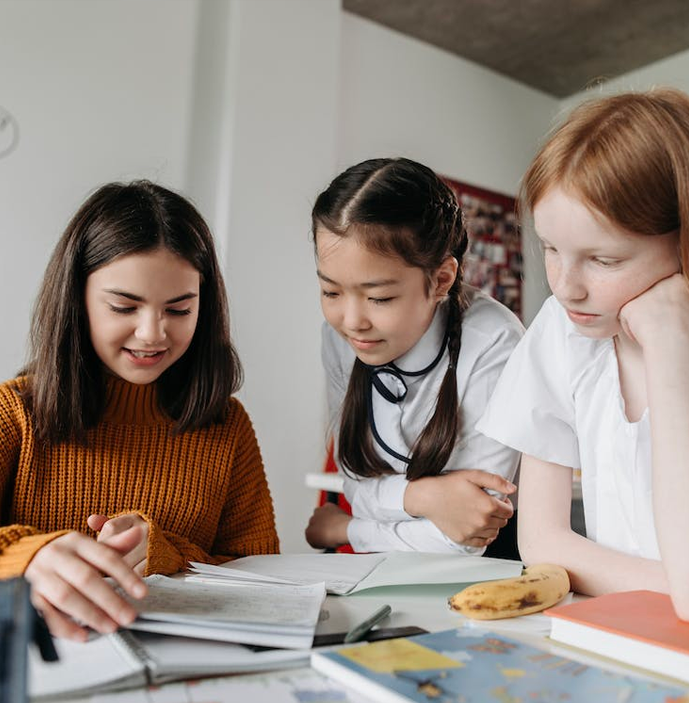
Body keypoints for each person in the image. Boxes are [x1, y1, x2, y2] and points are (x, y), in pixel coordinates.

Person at [0, 181, 279, 640]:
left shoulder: (226, 425)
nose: (152, 334)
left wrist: (165, 553)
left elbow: (262, 575)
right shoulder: (16, 413)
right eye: (124, 306)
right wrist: (28, 555)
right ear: (77, 301)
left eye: (179, 309)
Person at [476, 88, 689, 619]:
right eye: (550, 248)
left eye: (604, 259)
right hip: (620, 629)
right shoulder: (563, 332)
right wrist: (671, 587)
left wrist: (668, 344)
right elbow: (543, 542)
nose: (566, 288)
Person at [304, 157, 523, 554]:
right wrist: (425, 499)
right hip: (380, 568)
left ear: (441, 279)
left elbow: (467, 534)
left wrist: (345, 530)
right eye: (331, 292)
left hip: (482, 573)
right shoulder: (337, 339)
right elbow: (355, 481)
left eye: (379, 298)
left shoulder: (494, 341)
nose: (352, 322)